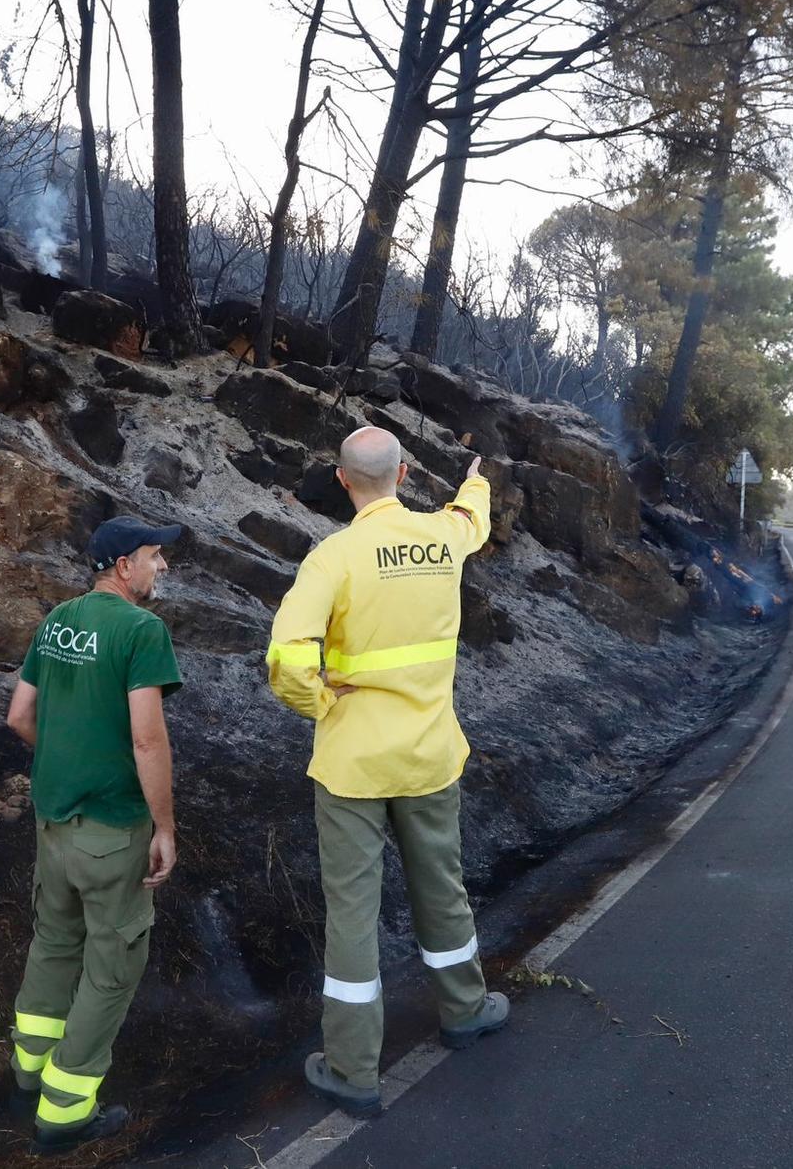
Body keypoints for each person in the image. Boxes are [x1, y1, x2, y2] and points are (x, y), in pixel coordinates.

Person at [265, 426, 509, 1115]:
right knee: (442, 887)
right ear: (403, 474)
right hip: (430, 755)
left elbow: (286, 659)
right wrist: (476, 478)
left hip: (352, 766)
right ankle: (464, 1009)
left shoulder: (332, 558)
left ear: (343, 481)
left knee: (353, 913)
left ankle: (353, 1069)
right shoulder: (442, 540)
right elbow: (472, 520)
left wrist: (318, 701)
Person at [4, 516, 183, 1154]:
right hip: (113, 828)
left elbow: (20, 715)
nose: (162, 567)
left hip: (53, 821)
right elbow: (146, 737)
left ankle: (28, 1071)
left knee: (53, 942)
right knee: (110, 967)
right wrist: (163, 824)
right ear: (121, 565)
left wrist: (65, 761)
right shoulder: (142, 630)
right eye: (155, 556)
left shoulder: (57, 621)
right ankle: (65, 1111)